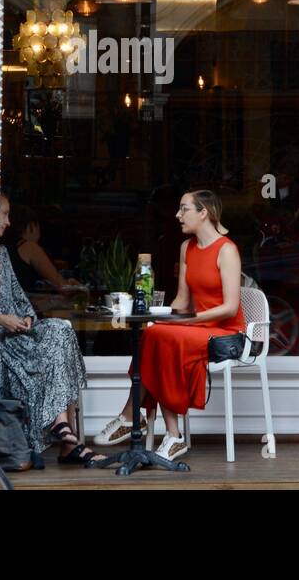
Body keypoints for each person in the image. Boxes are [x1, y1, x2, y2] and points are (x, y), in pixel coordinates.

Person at [96, 189, 245, 462]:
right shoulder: (186, 248)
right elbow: (182, 301)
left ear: (204, 213)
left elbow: (230, 307)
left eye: (184, 209)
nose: (177, 215)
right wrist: (158, 315)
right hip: (197, 327)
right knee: (154, 334)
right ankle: (170, 434)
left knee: (163, 339)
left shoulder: (227, 250)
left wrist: (189, 320)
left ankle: (133, 417)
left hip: (227, 333)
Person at [0, 195, 104, 466]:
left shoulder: (1, 252)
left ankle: (63, 428)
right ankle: (70, 440)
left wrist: (27, 318)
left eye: (9, 215)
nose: (8, 222)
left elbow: (19, 299)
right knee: (55, 346)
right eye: (3, 215)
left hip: (18, 334)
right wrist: (0, 319)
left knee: (61, 330)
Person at [1, 202, 77, 294]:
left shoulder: (1, 246)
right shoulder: (29, 247)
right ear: (31, 226)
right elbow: (62, 287)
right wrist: (80, 288)